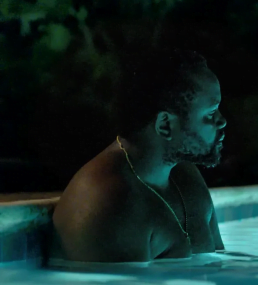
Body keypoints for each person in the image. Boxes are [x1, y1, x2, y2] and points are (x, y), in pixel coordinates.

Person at [50, 49, 228, 262]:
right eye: (211, 113)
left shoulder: (185, 177)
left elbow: (218, 264)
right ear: (165, 125)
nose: (222, 121)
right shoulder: (111, 202)